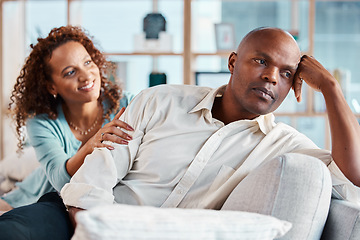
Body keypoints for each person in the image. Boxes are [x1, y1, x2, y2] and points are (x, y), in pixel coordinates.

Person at [2, 27, 360, 240]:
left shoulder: (284, 146)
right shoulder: (160, 100)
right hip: (74, 214)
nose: (271, 77)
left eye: (286, 73)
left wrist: (330, 88)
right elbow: (92, 182)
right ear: (234, 62)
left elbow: (352, 177)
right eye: (261, 61)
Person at [0, 25, 134, 214]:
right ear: (52, 86)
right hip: (36, 199)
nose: (86, 76)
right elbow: (60, 180)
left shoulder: (127, 103)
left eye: (88, 63)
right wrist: (93, 142)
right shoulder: (41, 122)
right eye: (70, 72)